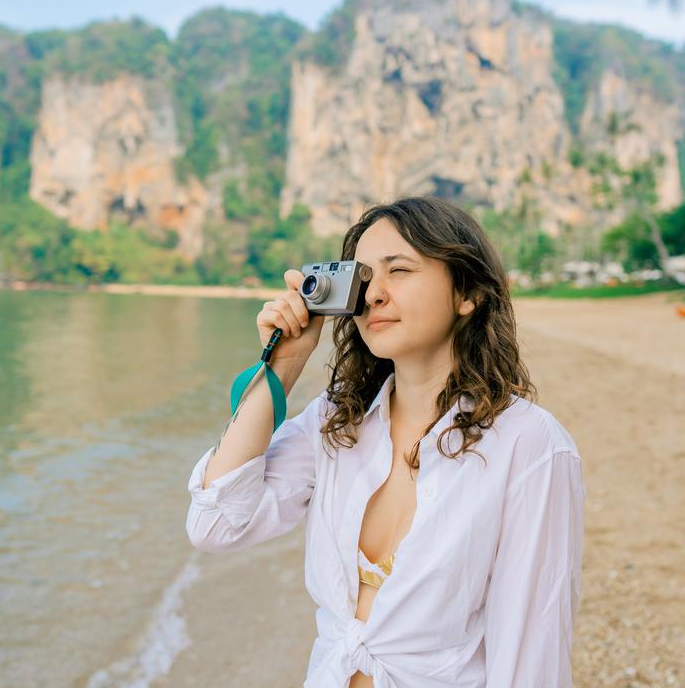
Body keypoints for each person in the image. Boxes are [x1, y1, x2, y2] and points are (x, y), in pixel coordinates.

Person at [185, 195, 586, 687]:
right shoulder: (336, 423)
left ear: (468, 294)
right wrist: (285, 363)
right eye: (365, 277)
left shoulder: (529, 445)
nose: (374, 294)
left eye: (400, 270)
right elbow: (217, 523)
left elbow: (531, 656)